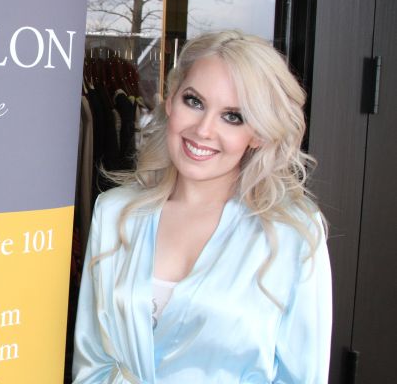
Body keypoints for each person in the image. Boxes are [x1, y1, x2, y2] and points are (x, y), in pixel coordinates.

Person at [72, 30, 332, 383]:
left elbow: (301, 376)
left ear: (258, 134)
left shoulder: (292, 231)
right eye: (194, 101)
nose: (204, 130)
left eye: (233, 116)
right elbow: (93, 362)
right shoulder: (115, 212)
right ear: (170, 100)